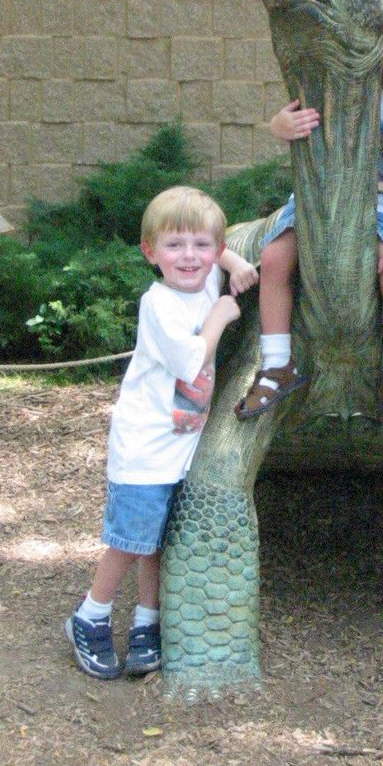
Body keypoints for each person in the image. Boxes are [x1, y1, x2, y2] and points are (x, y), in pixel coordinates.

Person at [235, 0, 383, 445]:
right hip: (325, 198)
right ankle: (278, 362)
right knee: (274, 258)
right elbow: (292, 120)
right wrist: (280, 126)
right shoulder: (347, 86)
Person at [65, 186, 258, 679]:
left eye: (201, 246)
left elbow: (219, 249)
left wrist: (234, 264)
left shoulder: (204, 272)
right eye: (174, 246)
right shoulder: (162, 303)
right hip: (146, 448)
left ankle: (147, 624)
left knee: (158, 541)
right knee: (131, 541)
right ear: (150, 253)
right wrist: (218, 315)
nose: (189, 257)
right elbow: (191, 364)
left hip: (181, 446)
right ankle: (90, 616)